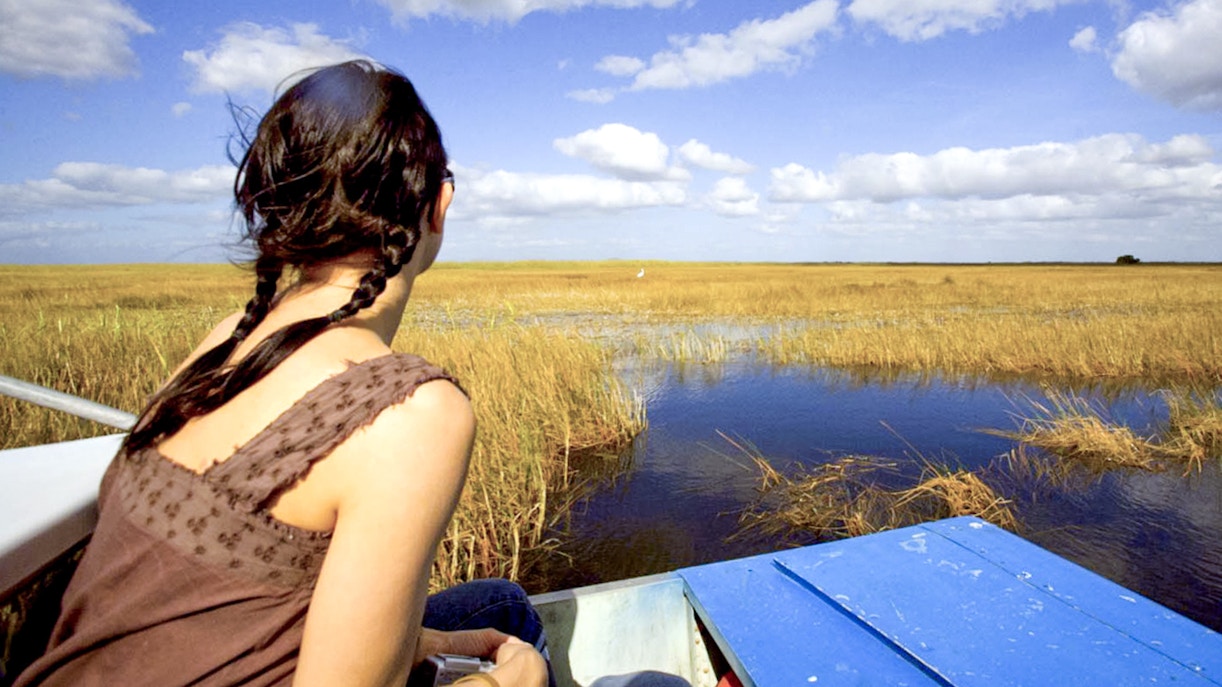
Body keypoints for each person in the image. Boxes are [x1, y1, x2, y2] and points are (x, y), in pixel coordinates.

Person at [15, 60, 550, 687]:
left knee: (502, 605)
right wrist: (507, 683)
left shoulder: (225, 343)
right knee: (524, 644)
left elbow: (224, 600)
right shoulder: (413, 415)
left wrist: (417, 642)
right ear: (440, 204)